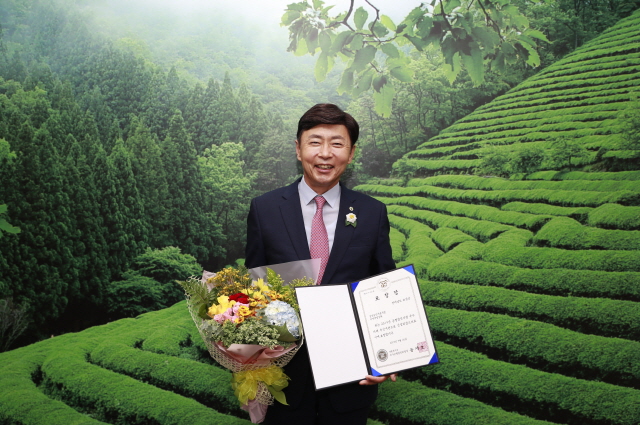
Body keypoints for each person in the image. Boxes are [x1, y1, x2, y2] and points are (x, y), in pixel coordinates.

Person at [245, 103, 397, 425]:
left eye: (337, 143)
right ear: (298, 149)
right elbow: (251, 288)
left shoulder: (372, 212)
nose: (325, 153)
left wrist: (387, 356)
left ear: (351, 153)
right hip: (281, 376)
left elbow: (383, 287)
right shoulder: (265, 209)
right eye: (315, 142)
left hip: (351, 376)